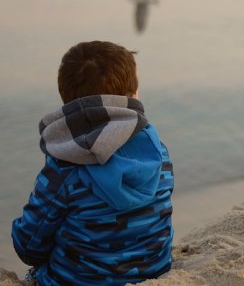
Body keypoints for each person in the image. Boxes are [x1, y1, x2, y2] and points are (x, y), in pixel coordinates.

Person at [12, 41, 174, 285]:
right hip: (155, 272)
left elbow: (28, 247)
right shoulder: (158, 152)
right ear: (133, 96)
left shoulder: (65, 168)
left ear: (67, 102)